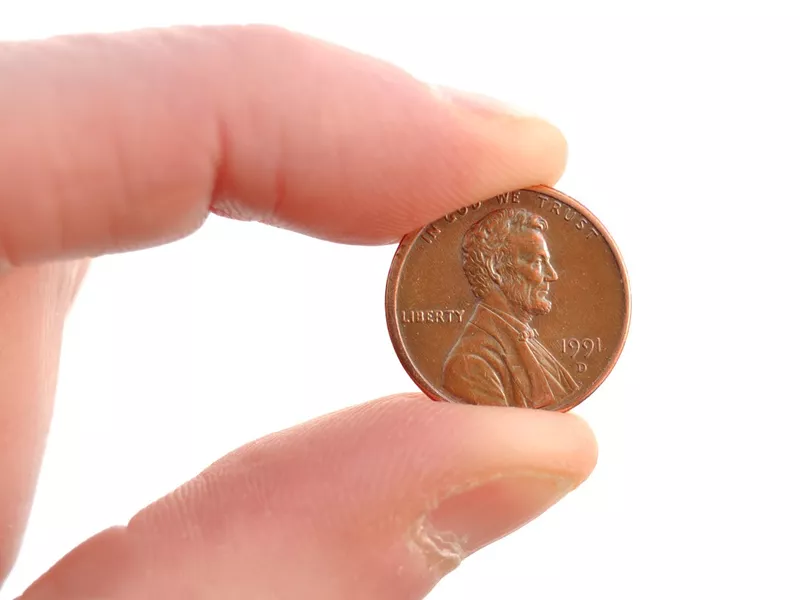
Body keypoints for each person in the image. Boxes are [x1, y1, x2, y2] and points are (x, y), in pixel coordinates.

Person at [0, 25, 597, 599]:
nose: (549, 275)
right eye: (532, 263)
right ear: (494, 273)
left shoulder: (529, 350)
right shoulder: (475, 363)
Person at [443, 208, 579, 409]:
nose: (552, 275)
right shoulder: (472, 364)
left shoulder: (526, 340)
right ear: (495, 268)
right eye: (538, 262)